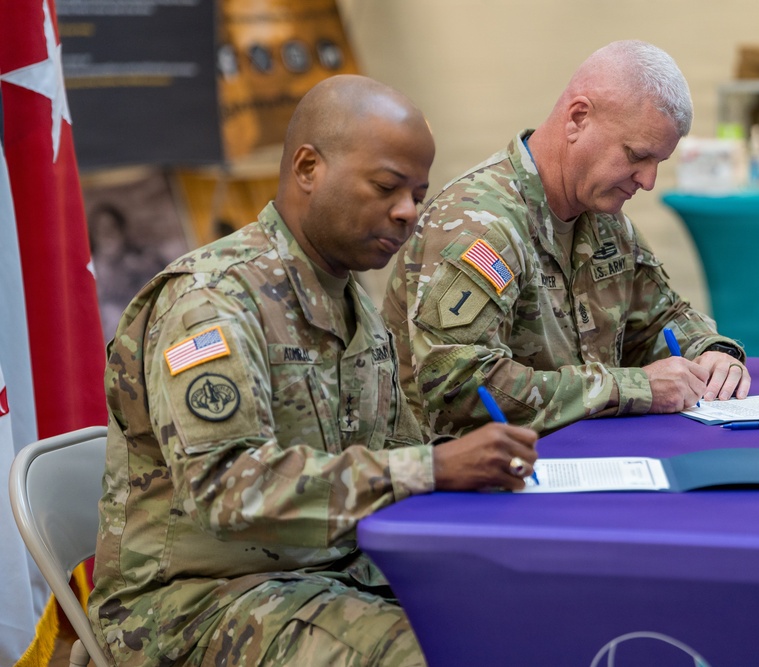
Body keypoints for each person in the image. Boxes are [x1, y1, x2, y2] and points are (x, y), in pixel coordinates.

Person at [88, 74, 538, 667]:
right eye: (386, 186)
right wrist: (432, 468)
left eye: (419, 195)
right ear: (307, 168)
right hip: (196, 606)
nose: (407, 212)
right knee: (434, 653)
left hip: (330, 571)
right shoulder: (212, 303)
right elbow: (228, 490)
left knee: (526, 611)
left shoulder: (354, 307)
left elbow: (394, 451)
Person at [383, 40, 751, 439]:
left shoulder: (604, 221)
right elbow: (459, 388)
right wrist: (633, 388)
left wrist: (714, 352)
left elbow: (662, 319)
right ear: (578, 119)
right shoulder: (479, 224)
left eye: (658, 163)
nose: (648, 181)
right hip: (468, 480)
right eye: (636, 156)